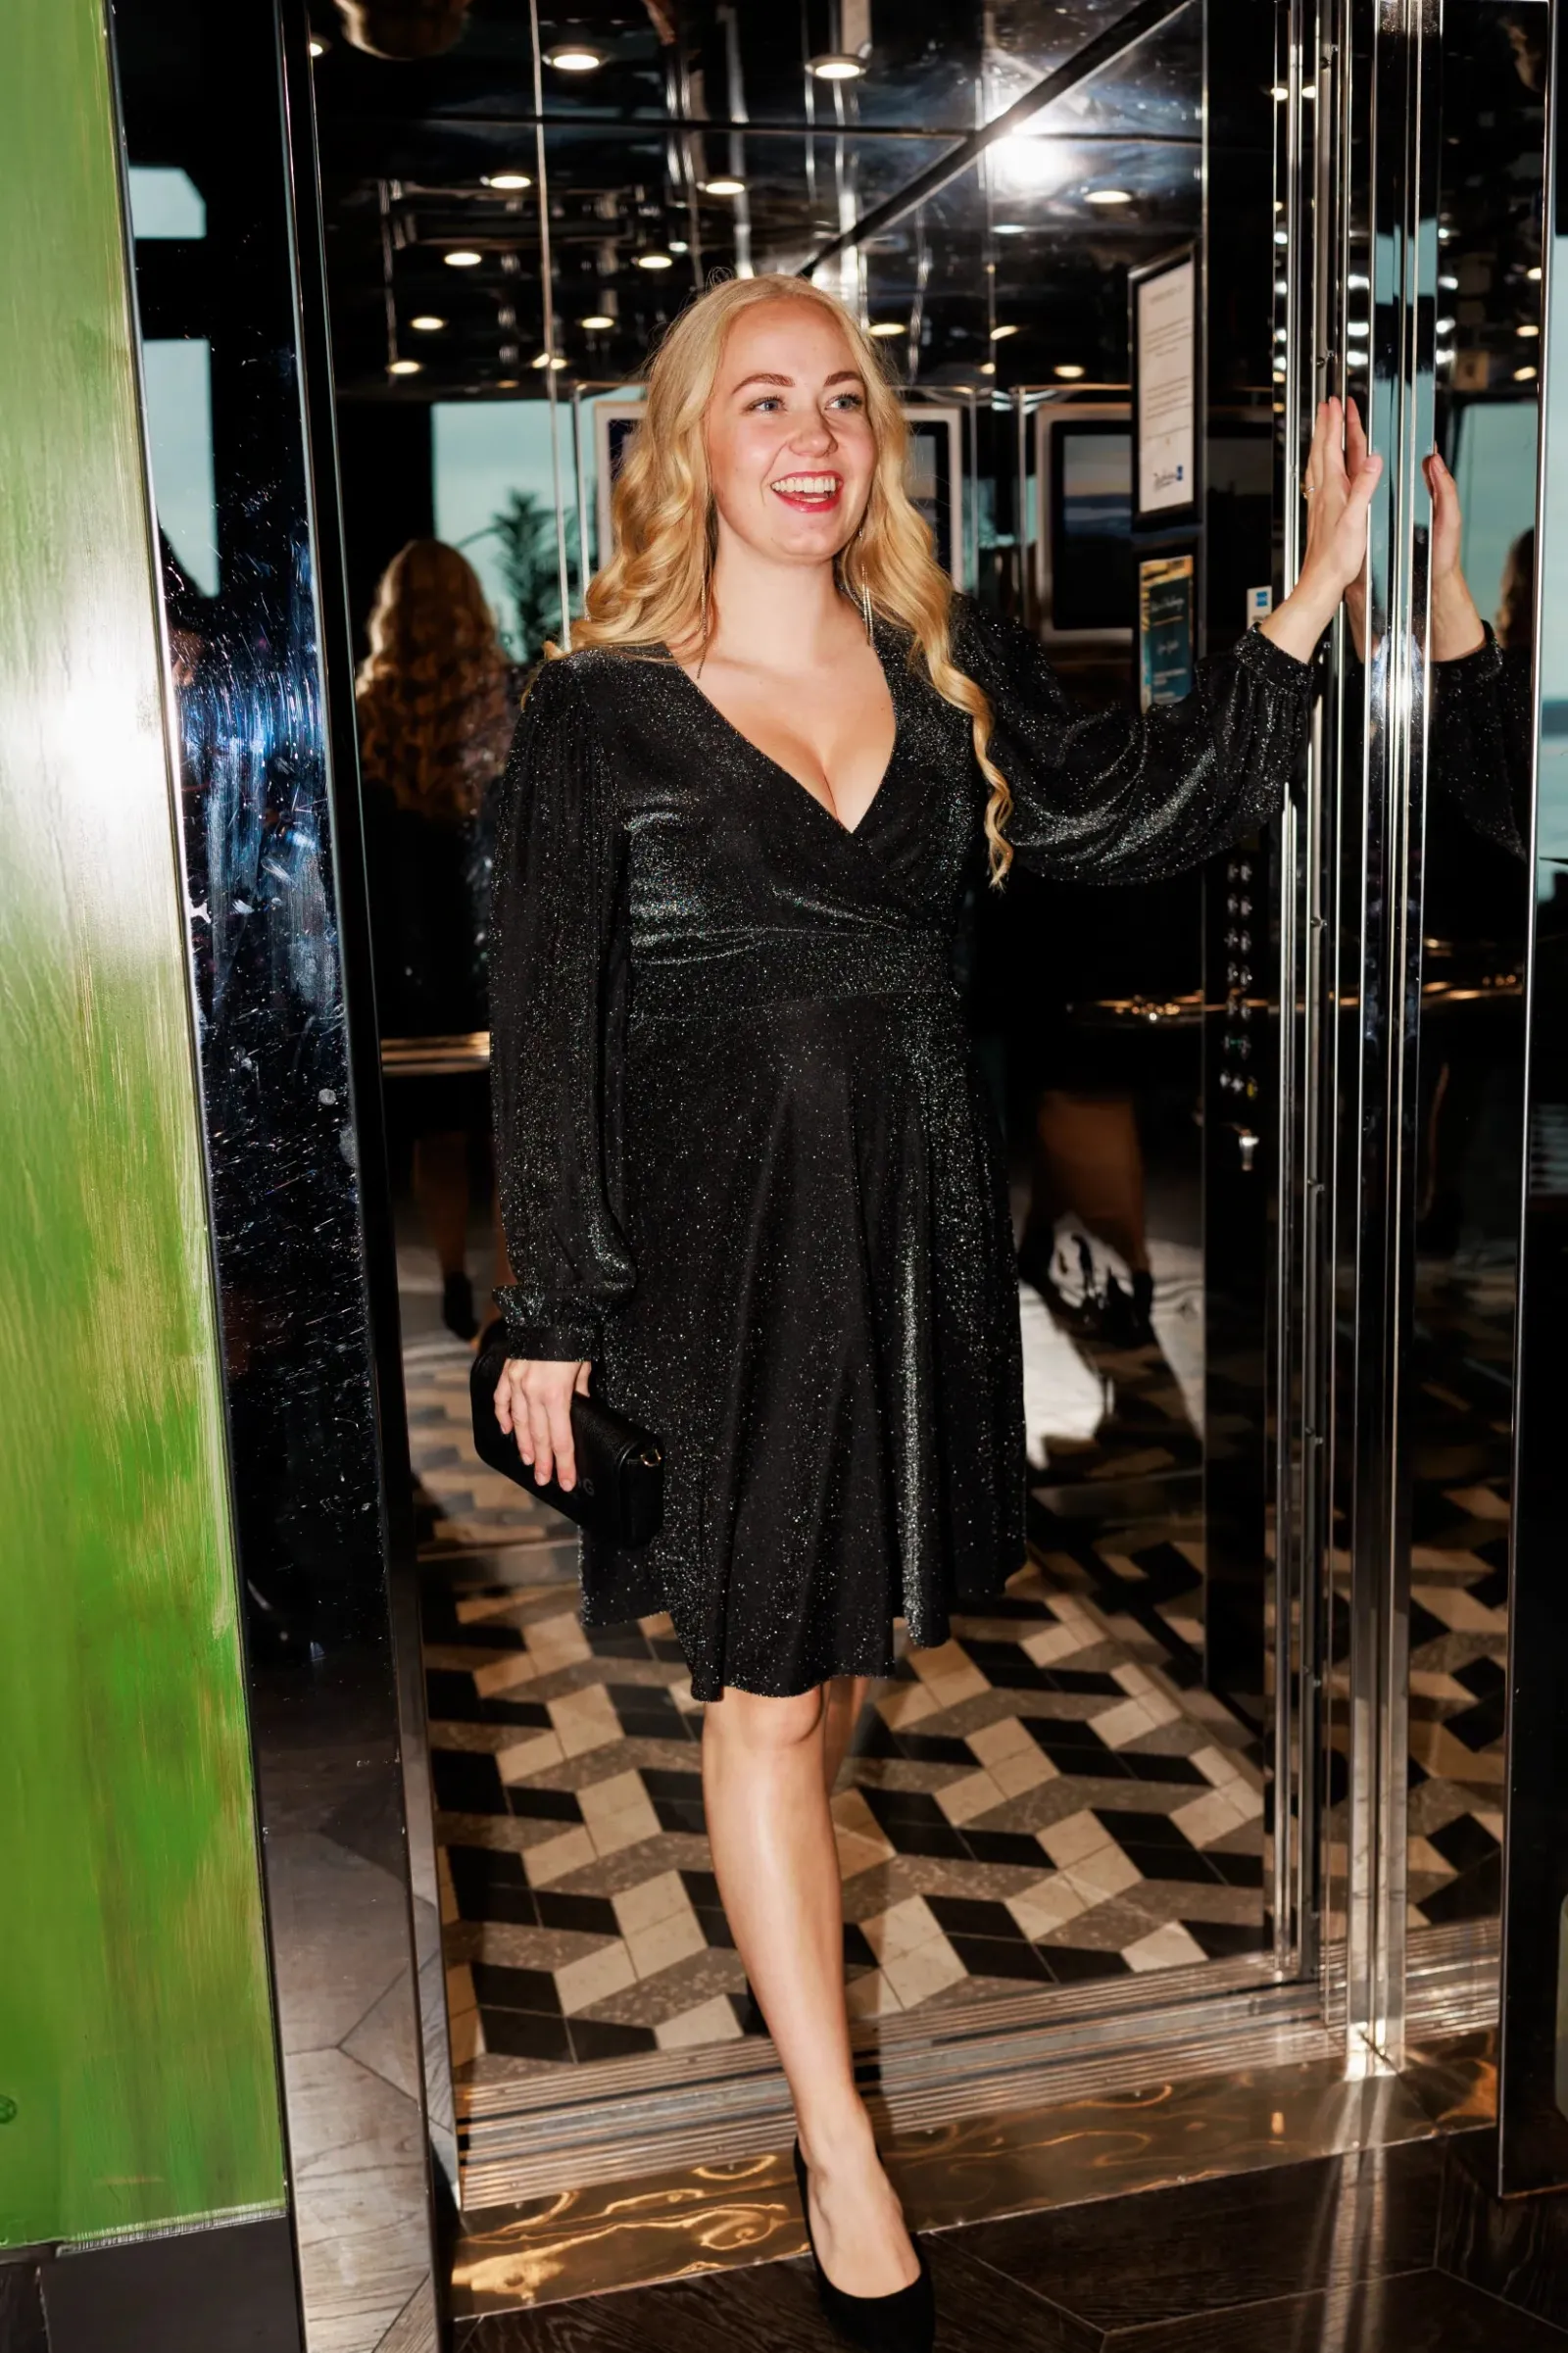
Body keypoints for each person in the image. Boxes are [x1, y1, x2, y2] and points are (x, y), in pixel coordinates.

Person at [485, 275, 1497, 2350]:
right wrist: (555, 1306)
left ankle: (811, 2034)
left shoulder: (931, 669)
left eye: (840, 401)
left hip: (907, 1248)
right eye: (762, 400)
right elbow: (547, 1030)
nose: (811, 435)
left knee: (837, 1659)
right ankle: (834, 2144)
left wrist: (1312, 597)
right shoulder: (596, 713)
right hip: (722, 1267)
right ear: (686, 447)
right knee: (765, 1694)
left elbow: (1143, 812)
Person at [357, 539, 514, 1339]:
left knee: (438, 1132)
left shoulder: (368, 709)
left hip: (411, 954)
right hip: (496, 941)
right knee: (512, 1131)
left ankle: (452, 1268)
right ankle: (506, 1295)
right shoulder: (504, 697)